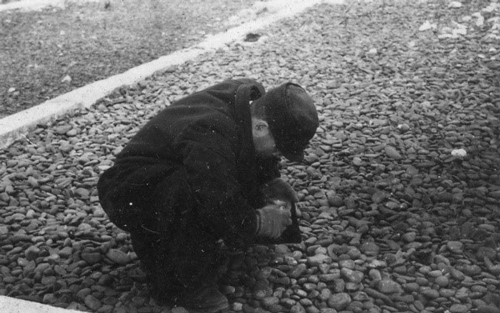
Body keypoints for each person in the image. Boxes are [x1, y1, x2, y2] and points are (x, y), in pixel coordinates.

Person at [97, 78, 319, 312]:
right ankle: (180, 285)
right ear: (262, 127)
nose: (278, 154)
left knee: (218, 176)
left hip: (173, 169)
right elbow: (218, 200)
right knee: (189, 189)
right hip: (128, 189)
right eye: (278, 148)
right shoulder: (211, 130)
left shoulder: (248, 106)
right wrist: (257, 222)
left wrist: (269, 180)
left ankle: (207, 245)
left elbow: (243, 152)